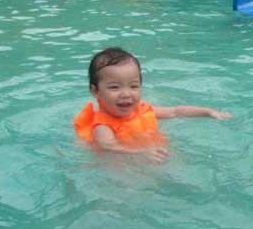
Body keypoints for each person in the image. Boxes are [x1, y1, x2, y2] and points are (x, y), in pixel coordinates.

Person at [74, 47, 231, 163]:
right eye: (114, 87)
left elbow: (176, 111)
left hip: (155, 155)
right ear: (95, 91)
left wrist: (207, 112)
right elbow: (109, 147)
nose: (126, 94)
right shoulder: (102, 127)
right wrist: (141, 152)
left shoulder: (142, 110)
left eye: (134, 86)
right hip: (127, 167)